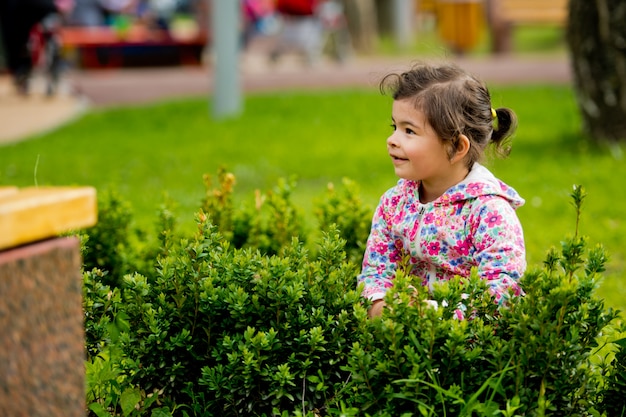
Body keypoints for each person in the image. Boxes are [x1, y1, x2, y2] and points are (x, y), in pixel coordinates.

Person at [358, 62, 526, 319]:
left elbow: (501, 293)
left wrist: (436, 316)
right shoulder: (394, 204)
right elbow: (377, 271)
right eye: (395, 127)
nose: (392, 140)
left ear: (457, 147)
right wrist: (380, 305)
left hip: (465, 347)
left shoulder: (488, 213)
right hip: (403, 342)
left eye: (409, 131)